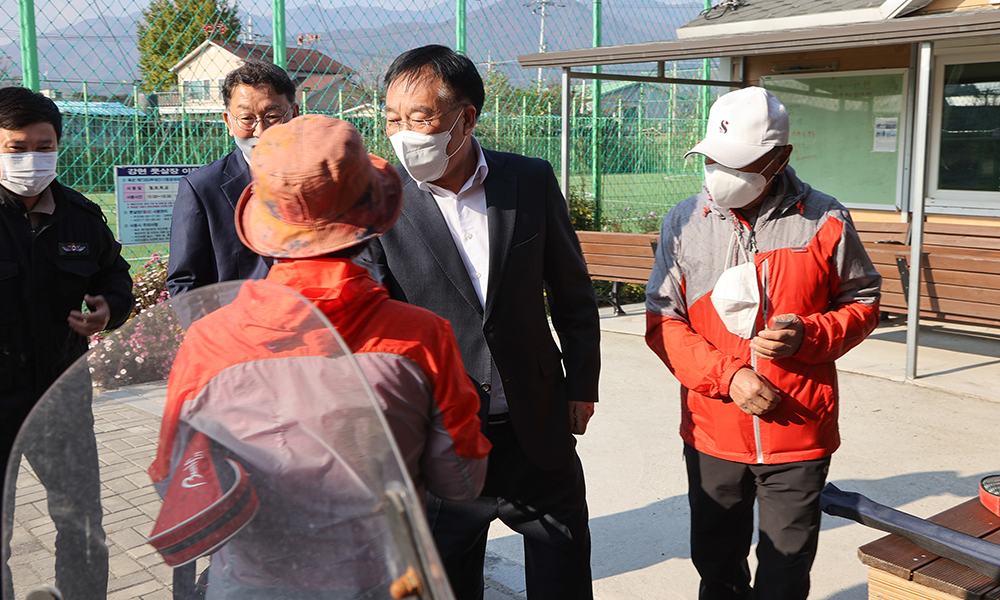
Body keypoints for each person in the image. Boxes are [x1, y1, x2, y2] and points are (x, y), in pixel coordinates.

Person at [150, 115, 491, 598]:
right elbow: (459, 480)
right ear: (371, 216)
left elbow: (175, 481)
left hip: (249, 586)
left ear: (266, 224)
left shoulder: (209, 341)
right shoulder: (421, 337)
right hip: (382, 582)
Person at [358, 44, 601, 600]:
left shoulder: (529, 180)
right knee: (445, 586)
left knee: (563, 577)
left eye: (420, 118)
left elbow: (571, 293)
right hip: (438, 439)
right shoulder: (376, 200)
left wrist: (581, 385)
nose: (402, 135)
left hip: (535, 427)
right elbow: (368, 313)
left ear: (466, 118)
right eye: (392, 120)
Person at [645, 86, 882, 600]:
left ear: (779, 159)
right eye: (711, 159)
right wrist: (727, 377)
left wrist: (810, 334)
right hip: (712, 434)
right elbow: (662, 323)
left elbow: (864, 303)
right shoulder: (684, 223)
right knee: (717, 567)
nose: (717, 174)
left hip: (798, 431)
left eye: (736, 163)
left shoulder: (825, 219)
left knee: (785, 572)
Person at [0, 86, 134, 599]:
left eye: (43, 145)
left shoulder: (79, 216)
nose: (32, 158)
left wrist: (109, 309)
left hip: (61, 400)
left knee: (81, 526)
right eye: (16, 148)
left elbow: (115, 276)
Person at [166, 58, 298, 297]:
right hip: (238, 329)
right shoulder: (202, 189)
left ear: (294, 114)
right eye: (247, 118)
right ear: (228, 121)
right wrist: (220, 334)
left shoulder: (325, 178)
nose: (261, 131)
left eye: (273, 116)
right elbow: (185, 283)